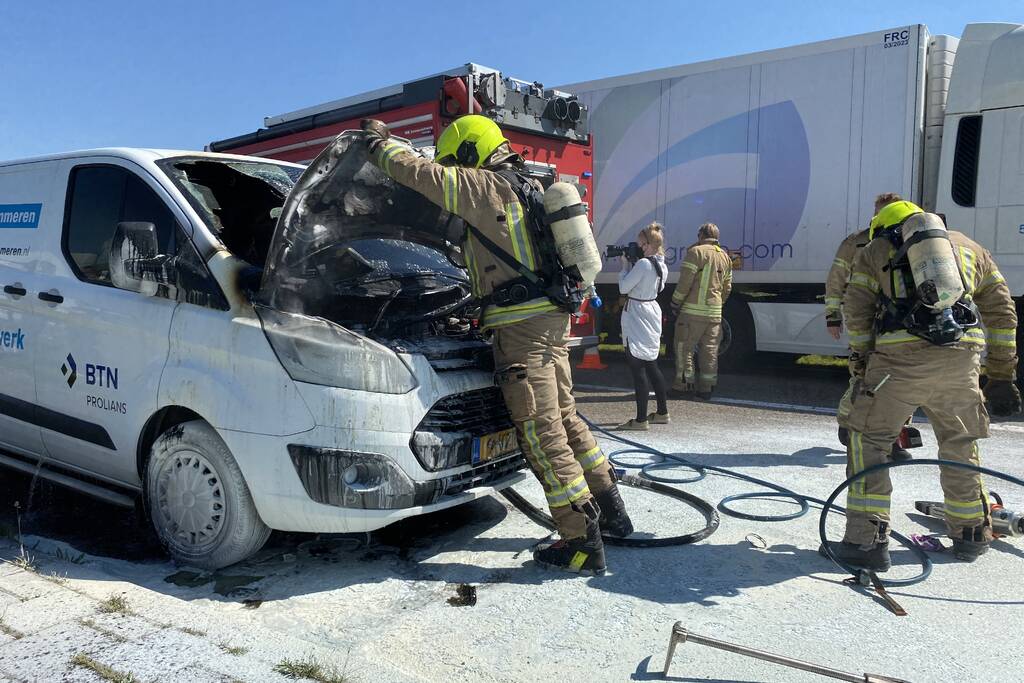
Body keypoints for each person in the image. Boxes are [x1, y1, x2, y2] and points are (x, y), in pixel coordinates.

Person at [360, 115, 632, 575]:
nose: (451, 167)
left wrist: (378, 145)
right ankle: (613, 514)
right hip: (548, 324)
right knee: (565, 420)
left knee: (542, 434)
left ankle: (580, 542)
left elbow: (419, 175)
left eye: (454, 159)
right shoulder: (526, 186)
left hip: (522, 332)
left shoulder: (484, 187)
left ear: (468, 152)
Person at [824, 200, 1021, 571]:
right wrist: (1002, 374)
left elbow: (857, 307)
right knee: (960, 444)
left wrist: (863, 362)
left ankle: (866, 542)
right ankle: (971, 534)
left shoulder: (876, 249)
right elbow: (1002, 311)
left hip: (898, 365)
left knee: (869, 440)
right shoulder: (971, 248)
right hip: (962, 362)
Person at [825, 192, 913, 461]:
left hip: (898, 323)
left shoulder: (912, 240)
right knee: (864, 376)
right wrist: (833, 314)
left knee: (903, 379)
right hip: (865, 319)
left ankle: (894, 439)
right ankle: (848, 422)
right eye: (880, 212)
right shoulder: (856, 242)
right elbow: (836, 278)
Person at [616, 222, 670, 431]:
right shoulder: (661, 264)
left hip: (637, 313)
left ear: (647, 244)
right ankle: (663, 412)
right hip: (651, 310)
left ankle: (640, 420)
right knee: (651, 363)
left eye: (639, 244)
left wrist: (624, 267)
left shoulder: (643, 264)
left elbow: (624, 287)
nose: (637, 247)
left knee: (637, 365)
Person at [669, 223, 732, 400]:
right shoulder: (725, 257)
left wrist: (675, 302)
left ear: (700, 235)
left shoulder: (695, 253)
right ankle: (707, 388)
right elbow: (727, 288)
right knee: (710, 351)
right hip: (714, 314)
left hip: (692, 313)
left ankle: (683, 386)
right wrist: (717, 305)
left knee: (684, 348)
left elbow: (684, 283)